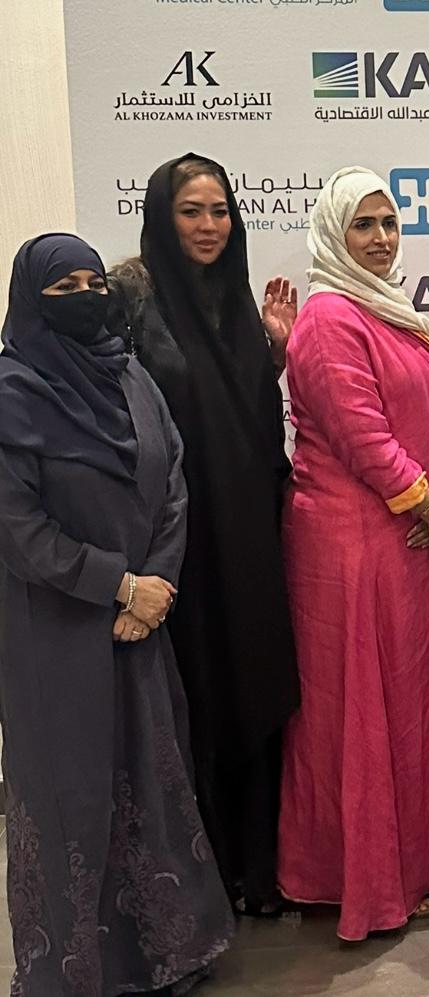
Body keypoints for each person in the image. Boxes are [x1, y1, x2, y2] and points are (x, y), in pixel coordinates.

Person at [0, 234, 233, 995]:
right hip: (57, 632)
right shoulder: (11, 393)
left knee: (151, 781)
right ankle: (78, 969)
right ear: (31, 300)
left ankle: (167, 952)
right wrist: (117, 585)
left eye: (92, 281)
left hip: (141, 627)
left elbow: (173, 480)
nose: (85, 296)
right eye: (63, 285)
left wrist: (155, 582)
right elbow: (17, 528)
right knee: (73, 791)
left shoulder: (129, 375)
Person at [277, 167, 429, 940]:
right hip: (354, 546)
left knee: (418, 698)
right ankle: (371, 877)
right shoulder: (328, 318)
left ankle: (426, 856)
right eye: (362, 225)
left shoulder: (396, 309)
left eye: (388, 223)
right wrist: (425, 503)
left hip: (419, 538)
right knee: (363, 707)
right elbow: (360, 434)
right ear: (334, 234)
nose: (380, 238)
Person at [108, 153, 300, 916]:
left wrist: (273, 355)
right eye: (191, 210)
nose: (209, 225)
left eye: (220, 210)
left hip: (247, 535)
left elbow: (244, 418)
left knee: (253, 680)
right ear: (163, 217)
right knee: (195, 691)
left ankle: (260, 866)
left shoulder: (235, 299)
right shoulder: (133, 301)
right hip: (179, 539)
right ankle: (200, 879)